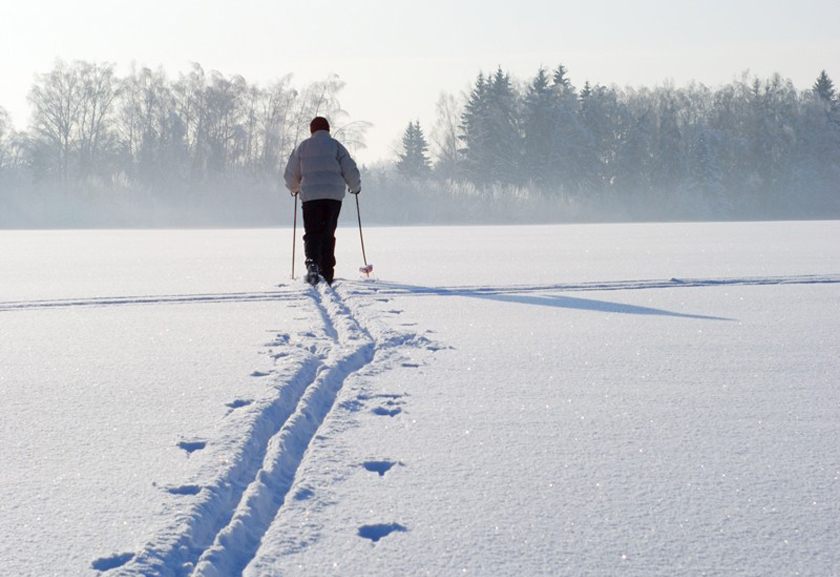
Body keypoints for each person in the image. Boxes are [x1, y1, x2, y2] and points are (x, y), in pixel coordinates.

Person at [284, 116, 362, 285]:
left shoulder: (303, 147)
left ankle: (313, 265)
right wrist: (355, 187)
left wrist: (295, 188)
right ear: (328, 130)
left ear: (312, 130)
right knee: (328, 233)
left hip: (311, 198)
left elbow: (290, 174)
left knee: (312, 233)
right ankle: (327, 271)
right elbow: (350, 168)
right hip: (333, 197)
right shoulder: (336, 146)